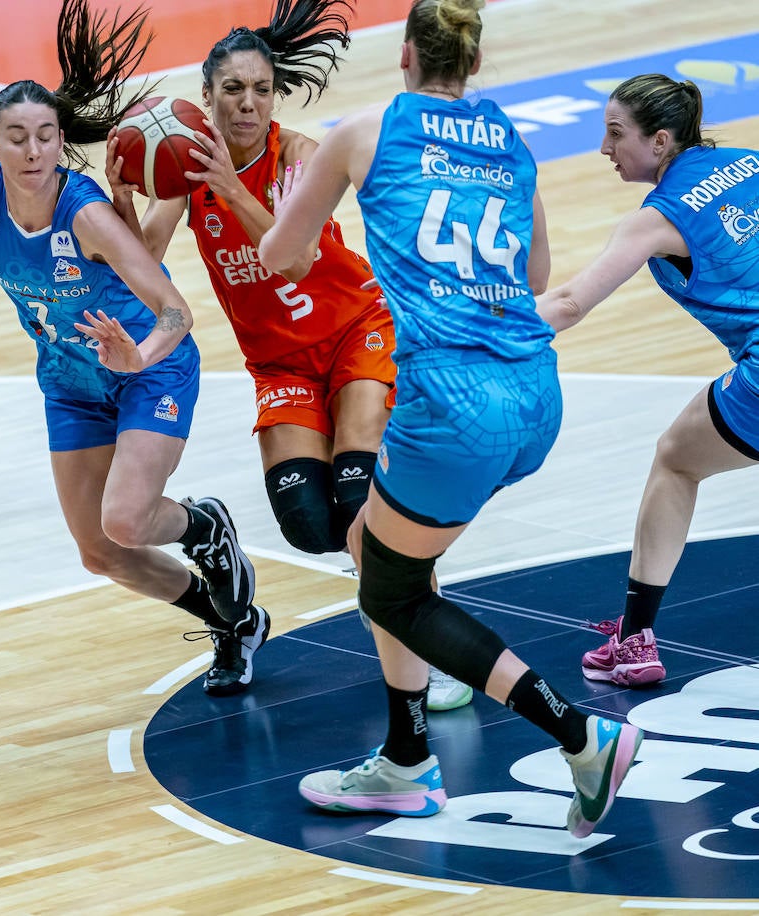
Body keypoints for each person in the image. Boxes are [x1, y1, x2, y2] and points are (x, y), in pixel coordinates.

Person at [257, 0, 641, 835]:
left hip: (453, 404)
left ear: (403, 56)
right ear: (470, 63)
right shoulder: (511, 141)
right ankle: (404, 757)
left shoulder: (364, 133)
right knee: (375, 547)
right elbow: (536, 271)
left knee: (391, 590)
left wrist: (301, 194)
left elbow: (278, 256)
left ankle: (580, 736)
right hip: (535, 391)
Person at [0, 0, 269, 696]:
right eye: (16, 137)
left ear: (59, 141)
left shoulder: (85, 212)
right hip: (69, 381)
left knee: (126, 519)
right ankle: (231, 621)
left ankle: (205, 527)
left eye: (44, 137)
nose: (32, 152)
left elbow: (176, 313)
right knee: (102, 554)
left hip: (147, 371)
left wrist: (139, 356)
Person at [104, 0, 471, 711]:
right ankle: (396, 582)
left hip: (356, 331)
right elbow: (141, 262)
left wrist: (229, 187)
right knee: (311, 523)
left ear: (275, 95)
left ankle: (431, 642)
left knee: (364, 499)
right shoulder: (188, 166)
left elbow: (296, 257)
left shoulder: (299, 155)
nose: (247, 103)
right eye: (233, 89)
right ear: (206, 95)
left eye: (261, 89)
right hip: (281, 365)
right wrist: (125, 207)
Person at [537, 74, 759, 687]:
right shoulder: (749, 161)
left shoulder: (658, 218)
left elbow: (568, 305)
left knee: (675, 461)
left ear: (660, 141)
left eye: (616, 134)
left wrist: (468, 333)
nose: (604, 149)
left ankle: (635, 641)